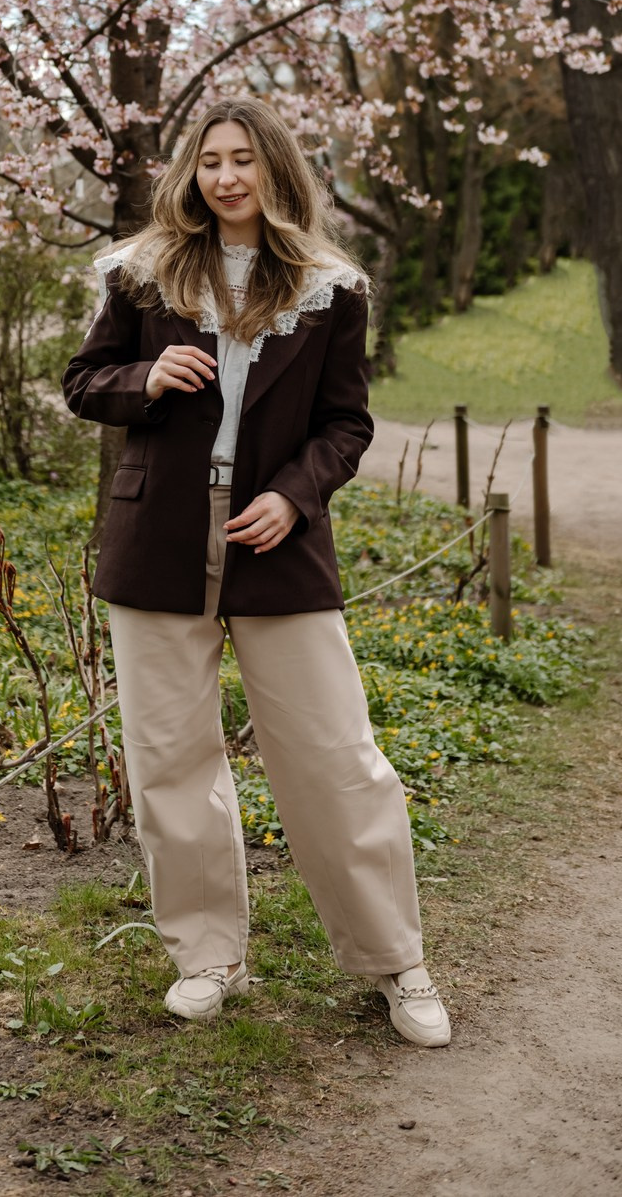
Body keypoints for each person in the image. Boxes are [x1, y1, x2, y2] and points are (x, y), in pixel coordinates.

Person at [61, 97, 450, 1048]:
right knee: (170, 763)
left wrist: (294, 495)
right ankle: (208, 956)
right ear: (191, 174)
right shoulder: (141, 275)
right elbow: (84, 383)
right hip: (155, 547)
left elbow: (346, 423)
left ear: (276, 171)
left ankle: (398, 962)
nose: (225, 178)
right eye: (209, 162)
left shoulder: (331, 288)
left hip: (276, 546)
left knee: (337, 760)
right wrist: (143, 382)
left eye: (243, 161)